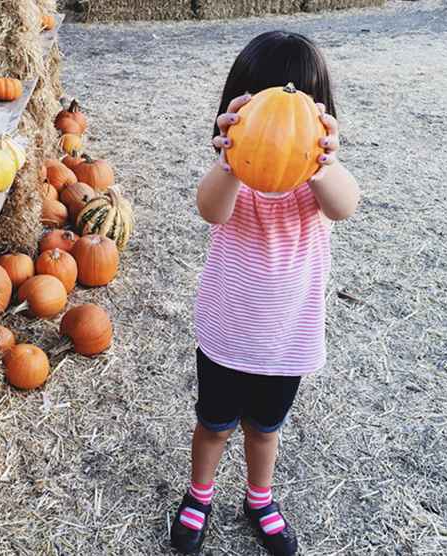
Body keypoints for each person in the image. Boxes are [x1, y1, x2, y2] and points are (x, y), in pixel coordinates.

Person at [170, 30, 361, 556]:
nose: (281, 119)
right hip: (230, 329)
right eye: (263, 101)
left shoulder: (319, 178)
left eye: (299, 101)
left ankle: (260, 498)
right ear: (235, 108)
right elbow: (210, 209)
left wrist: (322, 162)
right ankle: (200, 494)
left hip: (287, 337)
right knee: (213, 425)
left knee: (264, 429)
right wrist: (230, 161)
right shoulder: (233, 173)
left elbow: (346, 205)